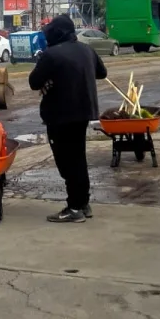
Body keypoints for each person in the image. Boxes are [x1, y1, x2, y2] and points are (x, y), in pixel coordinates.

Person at [28, 15, 107, 224]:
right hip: (83, 113)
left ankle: (74, 207)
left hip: (60, 116)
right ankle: (83, 203)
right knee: (78, 159)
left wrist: (53, 76)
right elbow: (102, 72)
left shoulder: (51, 55)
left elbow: (34, 82)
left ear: (58, 33)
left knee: (67, 163)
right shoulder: (87, 49)